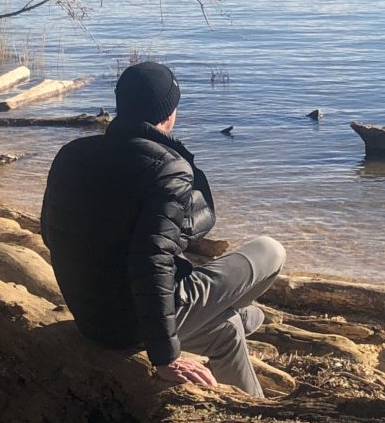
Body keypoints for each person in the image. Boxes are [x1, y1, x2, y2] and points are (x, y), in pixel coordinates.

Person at [40, 60, 284, 396]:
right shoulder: (168, 169)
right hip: (136, 323)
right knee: (270, 250)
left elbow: (50, 234)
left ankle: (254, 414)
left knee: (226, 331)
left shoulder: (71, 154)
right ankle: (232, 310)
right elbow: (150, 262)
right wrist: (165, 358)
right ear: (168, 113)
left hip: (92, 318)